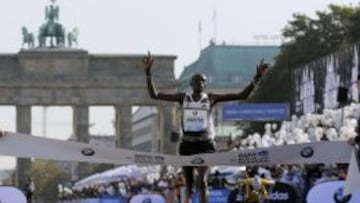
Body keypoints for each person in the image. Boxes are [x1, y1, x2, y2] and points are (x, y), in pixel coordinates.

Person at [143, 51, 268, 203]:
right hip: (187, 144)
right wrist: (148, 73)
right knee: (189, 185)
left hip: (206, 144)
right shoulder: (183, 98)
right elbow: (154, 95)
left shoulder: (211, 98)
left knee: (202, 181)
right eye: (197, 81)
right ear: (191, 84)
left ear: (206, 84)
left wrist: (257, 77)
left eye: (203, 81)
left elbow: (241, 96)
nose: (200, 83)